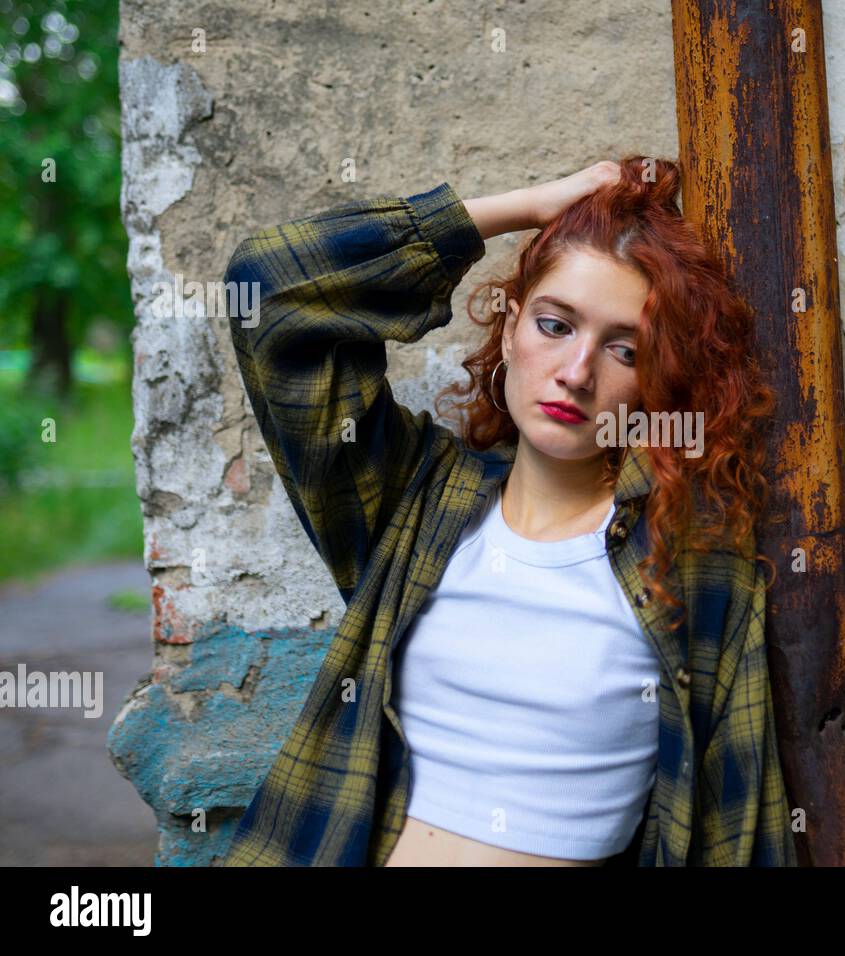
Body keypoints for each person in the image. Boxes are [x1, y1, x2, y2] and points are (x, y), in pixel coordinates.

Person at [220, 156, 798, 866]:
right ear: (512, 325)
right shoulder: (416, 502)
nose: (578, 371)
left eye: (624, 348)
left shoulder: (690, 565)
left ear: (658, 384)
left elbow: (739, 833)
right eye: (556, 325)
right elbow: (266, 289)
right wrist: (524, 207)